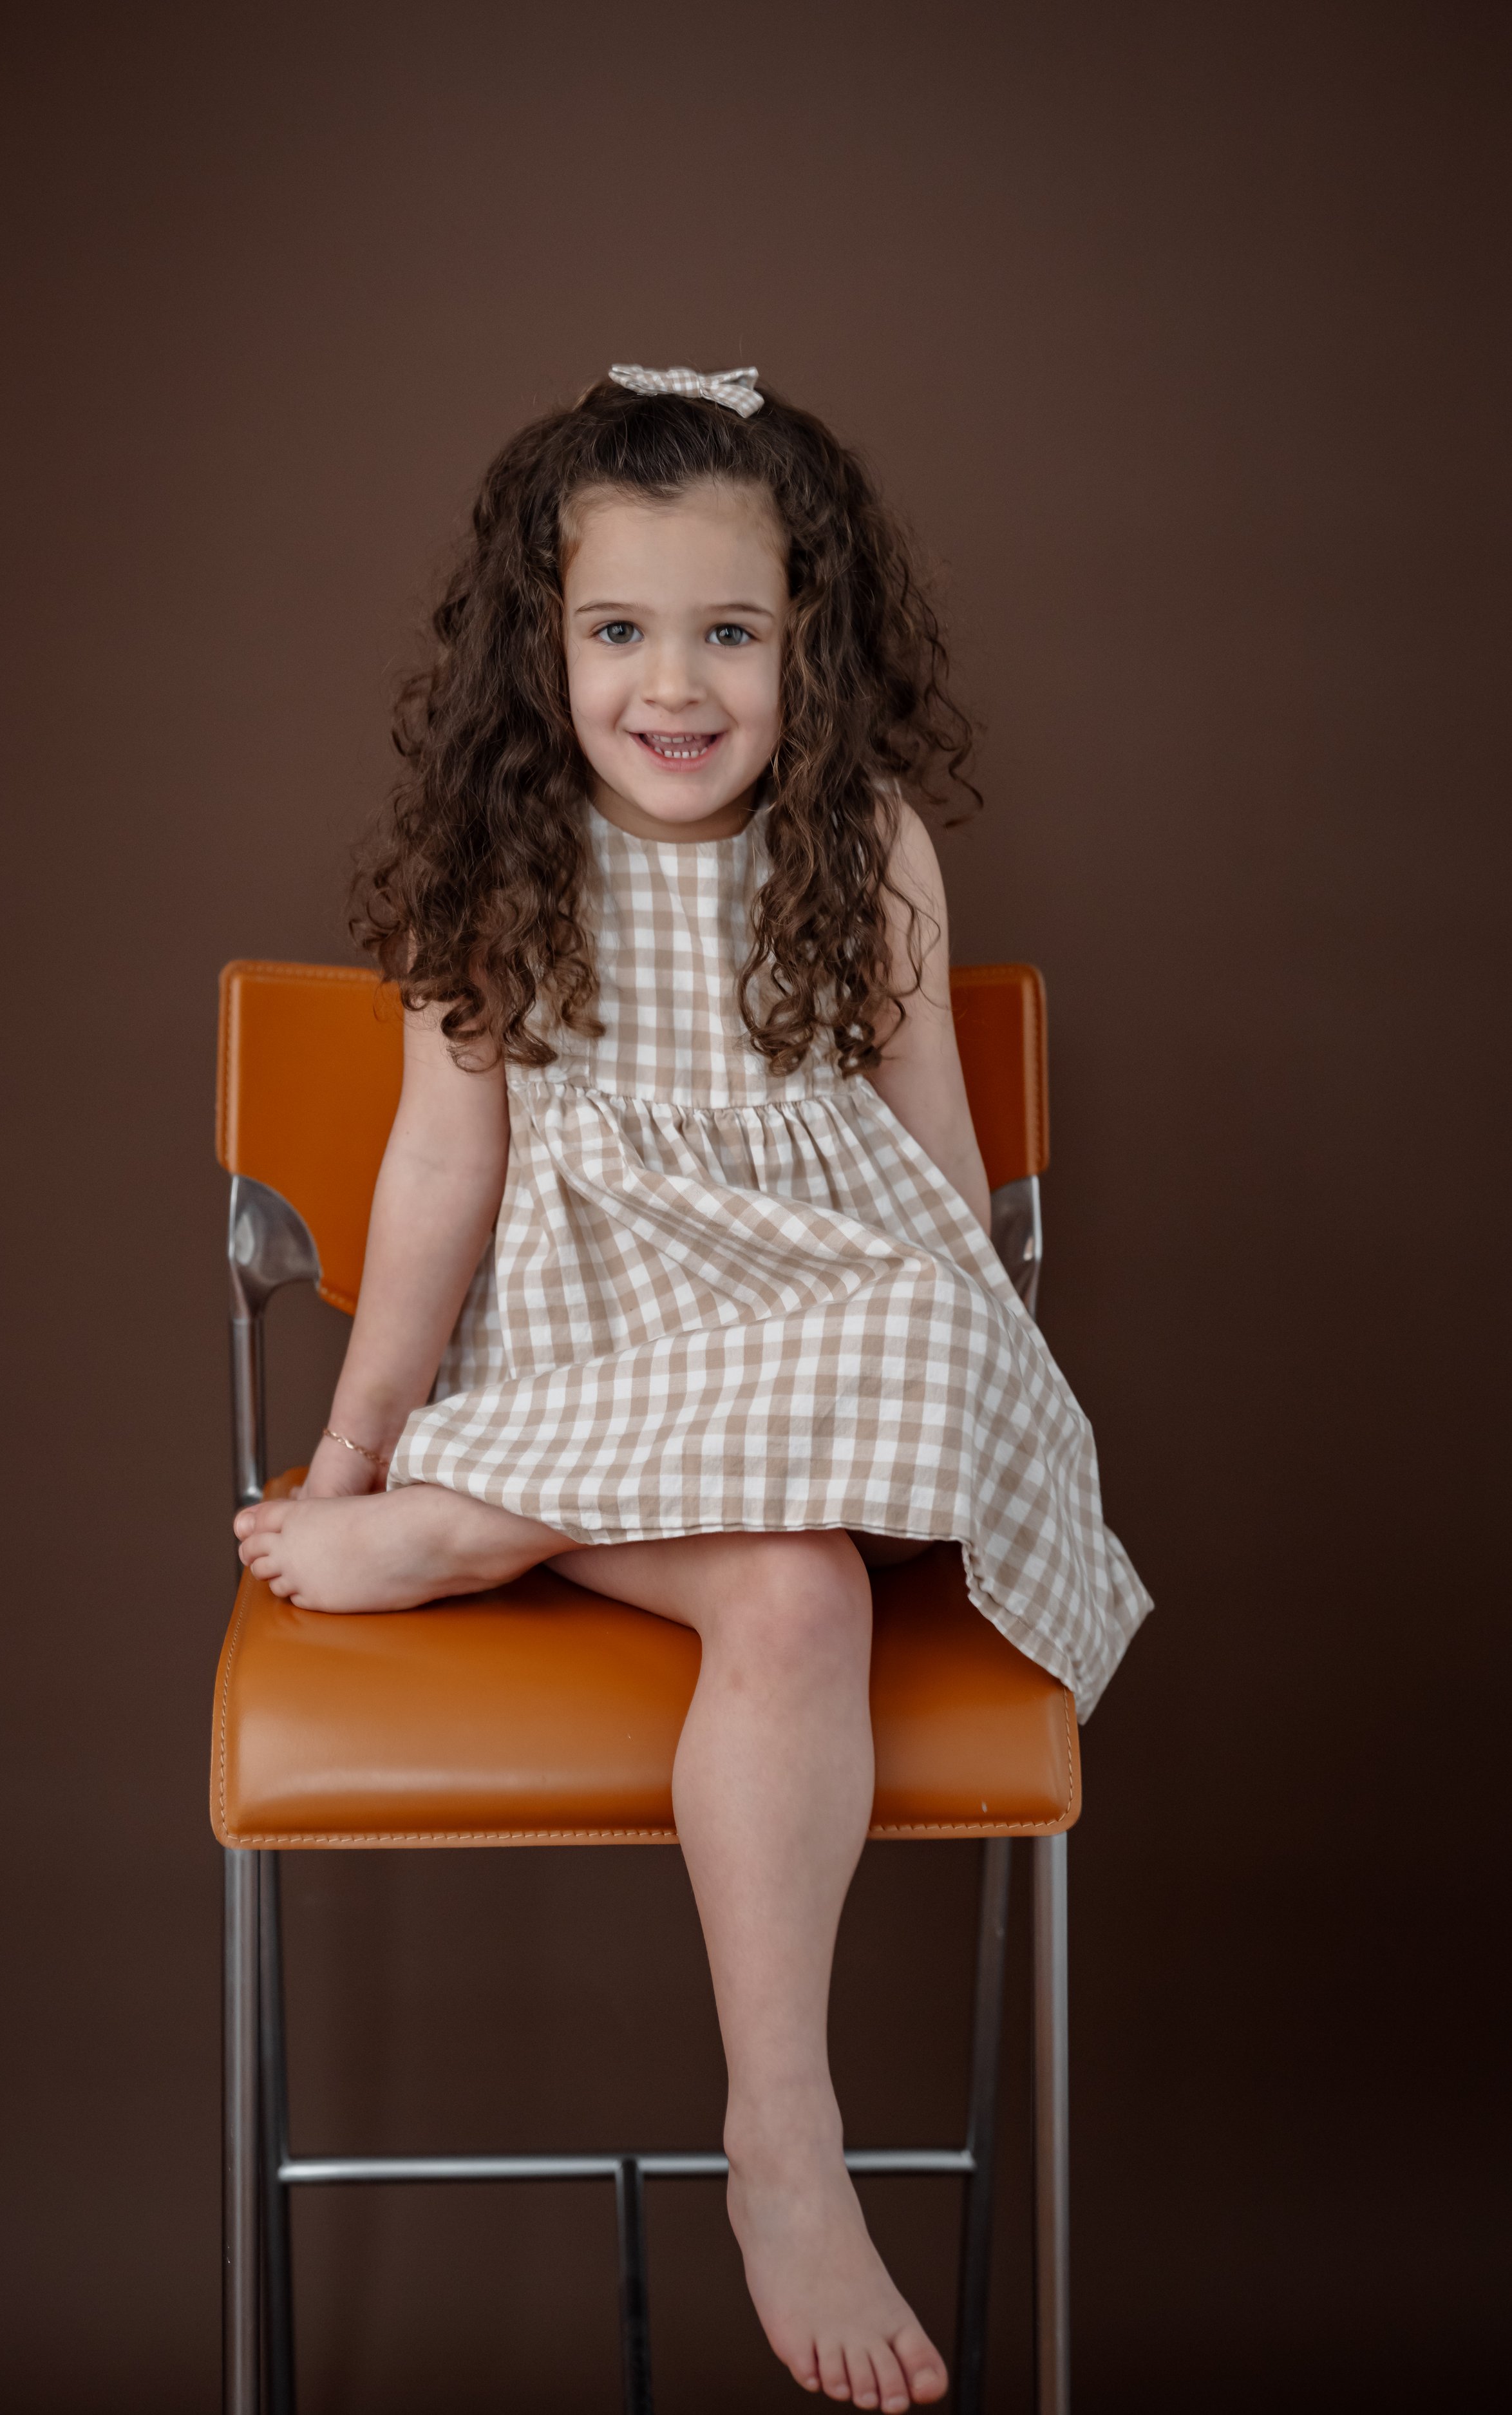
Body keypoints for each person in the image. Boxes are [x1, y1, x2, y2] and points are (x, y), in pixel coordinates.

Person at [234, 365, 1151, 2410]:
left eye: (729, 631)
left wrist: (967, 1361)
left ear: (806, 649)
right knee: (797, 1579)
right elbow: (441, 1170)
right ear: (539, 649)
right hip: (599, 1357)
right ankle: (787, 2136)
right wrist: (359, 1435)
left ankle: (486, 1549)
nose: (676, 683)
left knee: (905, 1377)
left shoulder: (875, 851)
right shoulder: (505, 860)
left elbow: (933, 1170)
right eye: (620, 631)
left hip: (814, 1331)